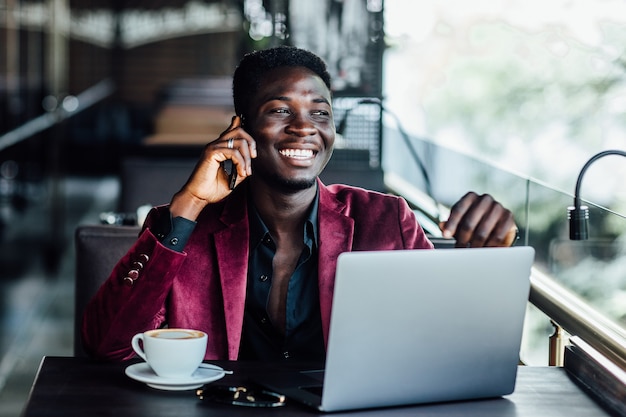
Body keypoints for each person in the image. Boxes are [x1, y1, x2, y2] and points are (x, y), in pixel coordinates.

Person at [82, 46, 517, 362]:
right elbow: (108, 345)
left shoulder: (385, 220)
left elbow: (442, 343)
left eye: (320, 113)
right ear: (242, 128)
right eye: (279, 111)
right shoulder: (182, 226)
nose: (305, 127)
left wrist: (486, 263)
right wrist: (190, 205)